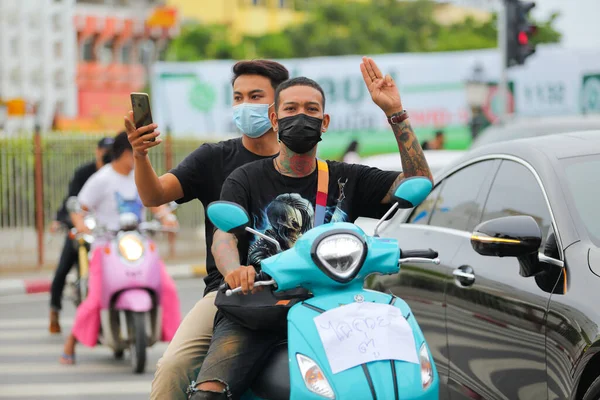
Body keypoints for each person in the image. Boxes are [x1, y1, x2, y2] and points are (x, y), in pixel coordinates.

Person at [189, 57, 433, 399]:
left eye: (311, 109)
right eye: (290, 108)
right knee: (210, 391)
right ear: (275, 119)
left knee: (397, 381)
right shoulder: (245, 178)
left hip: (340, 307)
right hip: (261, 307)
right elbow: (224, 237)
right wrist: (235, 270)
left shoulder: (349, 177)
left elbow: (419, 182)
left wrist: (396, 113)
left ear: (325, 121)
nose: (301, 116)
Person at [124, 60, 289, 399]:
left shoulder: (305, 163)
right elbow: (154, 194)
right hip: (226, 294)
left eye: (255, 96)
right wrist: (140, 155)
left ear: (278, 106)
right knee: (173, 367)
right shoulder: (213, 158)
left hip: (297, 292)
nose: (245, 106)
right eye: (238, 97)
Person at [59, 131, 181, 364]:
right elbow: (78, 209)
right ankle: (70, 344)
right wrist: (82, 227)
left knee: (167, 287)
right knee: (95, 298)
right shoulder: (102, 179)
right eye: (137, 152)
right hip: (107, 248)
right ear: (127, 153)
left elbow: (155, 202)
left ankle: (178, 347)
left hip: (139, 243)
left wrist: (166, 217)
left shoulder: (140, 175)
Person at [49, 137, 114, 334]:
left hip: (105, 232)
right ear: (98, 152)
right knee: (63, 268)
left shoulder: (116, 174)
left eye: (111, 152)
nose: (107, 156)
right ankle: (54, 311)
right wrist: (67, 221)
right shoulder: (84, 173)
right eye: (105, 151)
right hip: (83, 228)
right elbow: (73, 201)